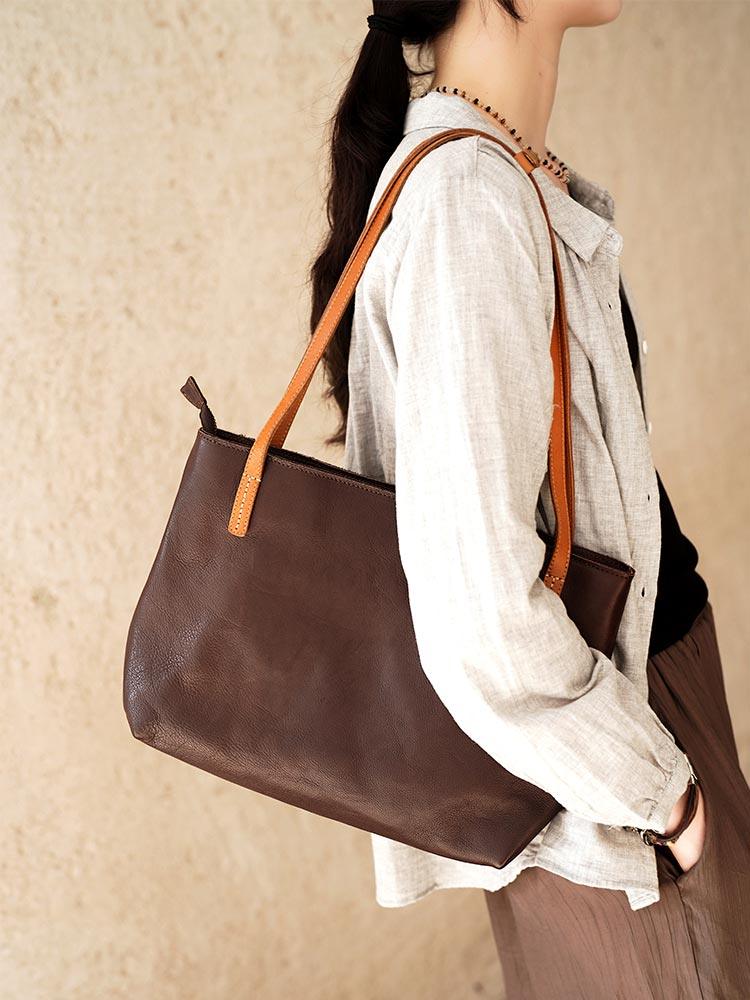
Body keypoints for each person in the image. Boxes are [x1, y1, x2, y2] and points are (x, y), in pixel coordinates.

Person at [309, 1, 750, 995]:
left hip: (632, 722)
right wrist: (661, 793)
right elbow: (481, 611)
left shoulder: (501, 172)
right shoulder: (468, 199)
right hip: (610, 773)